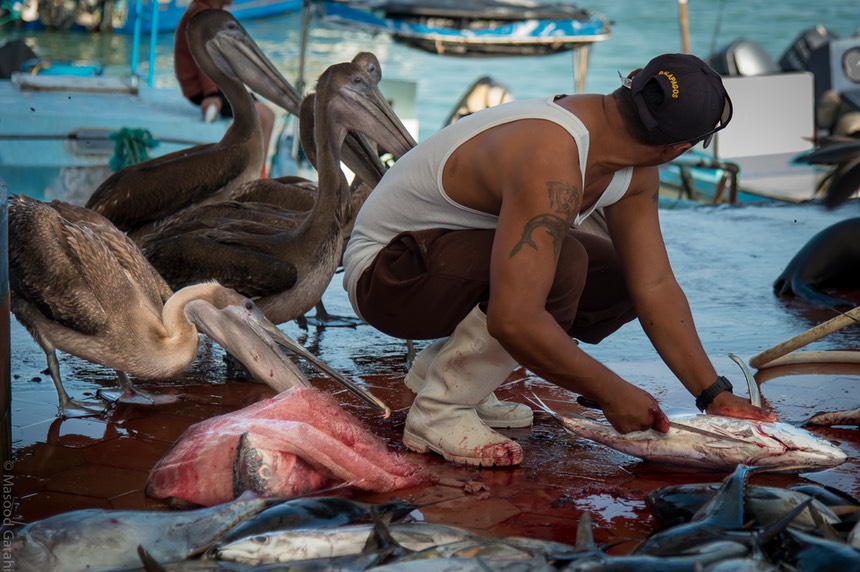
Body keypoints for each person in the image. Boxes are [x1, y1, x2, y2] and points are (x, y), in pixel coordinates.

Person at [342, 53, 776, 468]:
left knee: (619, 277)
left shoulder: (632, 163)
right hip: (384, 276)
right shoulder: (552, 154)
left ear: (635, 80)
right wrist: (610, 392)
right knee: (562, 266)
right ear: (677, 149)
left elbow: (655, 285)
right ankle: (439, 411)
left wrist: (713, 393)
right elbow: (515, 319)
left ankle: (445, 372)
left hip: (438, 265)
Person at [173, 0, 275, 173]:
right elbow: (201, 58)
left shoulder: (210, 9)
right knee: (263, 118)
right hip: (206, 88)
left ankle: (260, 173)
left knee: (269, 116)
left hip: (220, 82)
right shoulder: (202, 14)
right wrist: (210, 94)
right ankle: (256, 175)